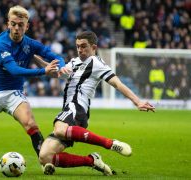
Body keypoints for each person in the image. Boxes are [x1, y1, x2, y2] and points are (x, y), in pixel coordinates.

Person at [37, 31, 155, 176]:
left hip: (76, 107)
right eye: (78, 46)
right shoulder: (74, 62)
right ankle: (92, 160)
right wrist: (38, 60)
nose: (80, 50)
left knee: (60, 129)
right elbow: (56, 73)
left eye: (84, 46)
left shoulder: (96, 63)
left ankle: (109, 143)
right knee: (44, 157)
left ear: (94, 47)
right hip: (72, 112)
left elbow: (117, 83)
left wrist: (137, 102)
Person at [0, 5, 65, 173]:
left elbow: (56, 57)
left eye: (21, 25)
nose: (16, 28)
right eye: (13, 24)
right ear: (8, 24)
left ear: (27, 26)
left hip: (13, 92)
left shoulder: (31, 44)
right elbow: (15, 70)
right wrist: (44, 70)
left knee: (30, 123)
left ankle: (45, 162)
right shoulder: (0, 45)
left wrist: (62, 67)